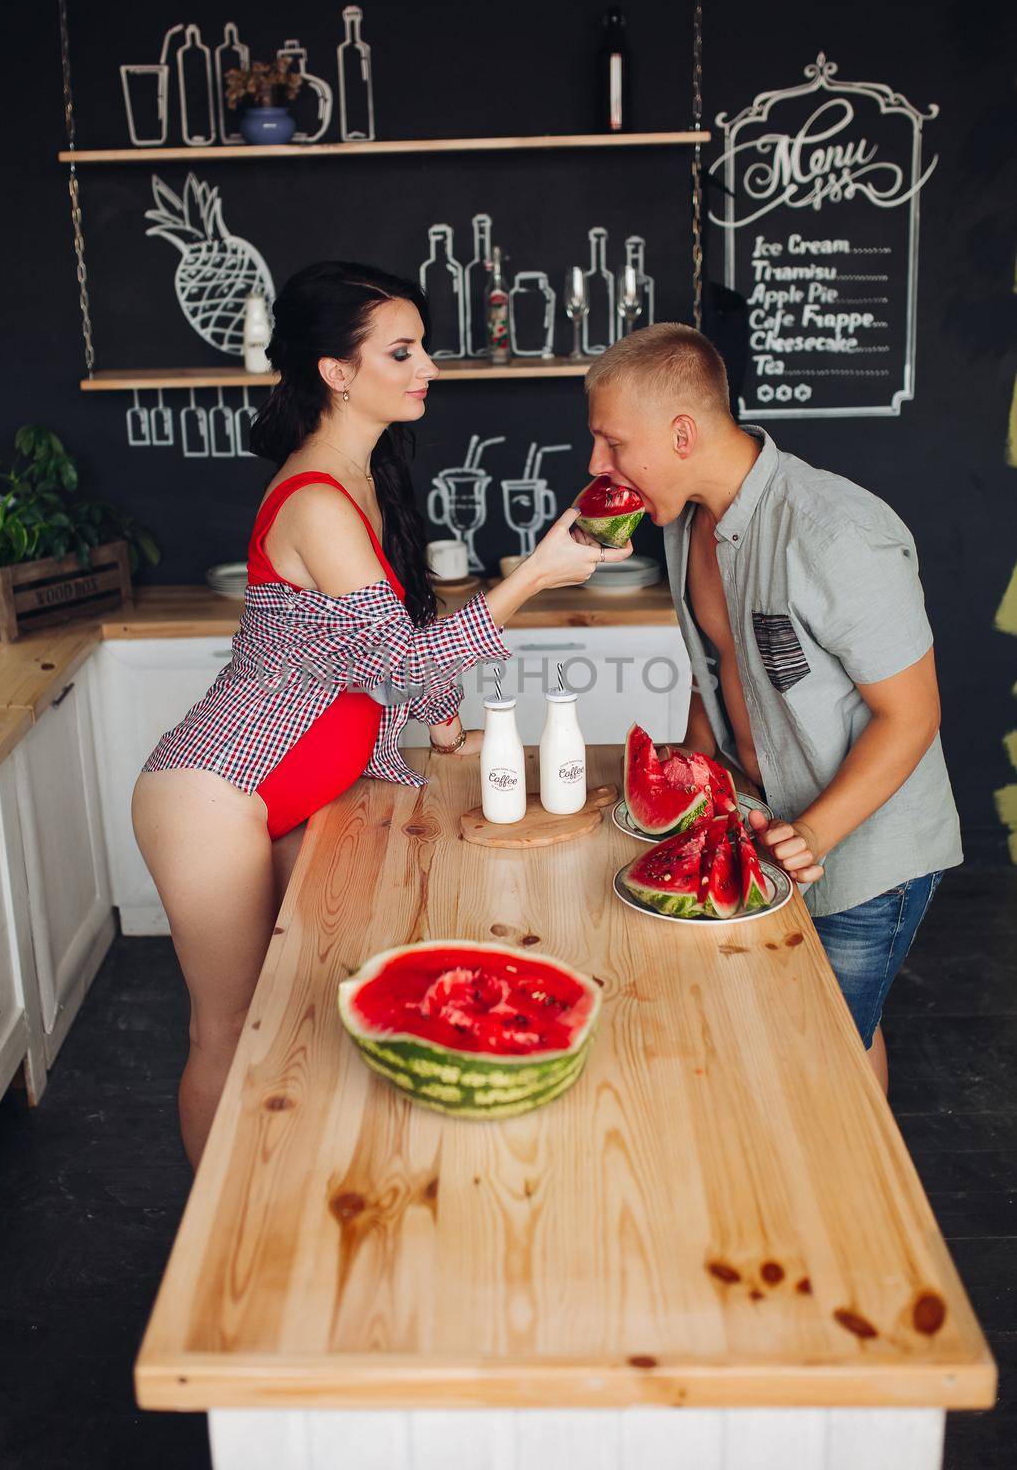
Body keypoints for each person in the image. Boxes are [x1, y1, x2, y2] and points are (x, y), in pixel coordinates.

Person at [132, 261, 628, 1166]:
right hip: (216, 790)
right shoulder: (318, 497)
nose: (427, 366)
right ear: (336, 371)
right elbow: (395, 661)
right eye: (401, 351)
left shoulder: (362, 480)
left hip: (301, 790)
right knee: (230, 1025)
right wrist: (531, 577)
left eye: (424, 347)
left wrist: (443, 722)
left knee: (301, 1007)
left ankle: (279, 1195)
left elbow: (383, 643)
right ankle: (212, 1252)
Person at [583, 321, 961, 1092]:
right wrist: (693, 759)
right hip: (760, 816)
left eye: (612, 443)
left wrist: (811, 835)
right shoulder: (690, 520)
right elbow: (717, 663)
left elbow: (914, 715)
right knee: (837, 1030)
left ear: (680, 432)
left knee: (819, 1051)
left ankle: (853, 1200)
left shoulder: (835, 533)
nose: (598, 466)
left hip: (859, 851)